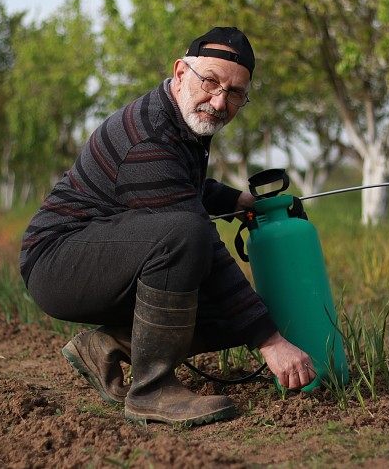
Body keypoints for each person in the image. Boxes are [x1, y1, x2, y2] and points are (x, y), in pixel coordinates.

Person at [20, 27, 315, 426]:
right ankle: (151, 390)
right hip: (59, 260)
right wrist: (271, 342)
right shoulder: (149, 136)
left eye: (235, 94)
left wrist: (237, 201)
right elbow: (196, 234)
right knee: (188, 236)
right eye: (210, 82)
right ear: (180, 73)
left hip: (107, 252)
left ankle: (110, 345)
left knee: (245, 312)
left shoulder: (180, 121)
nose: (219, 101)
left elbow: (183, 186)